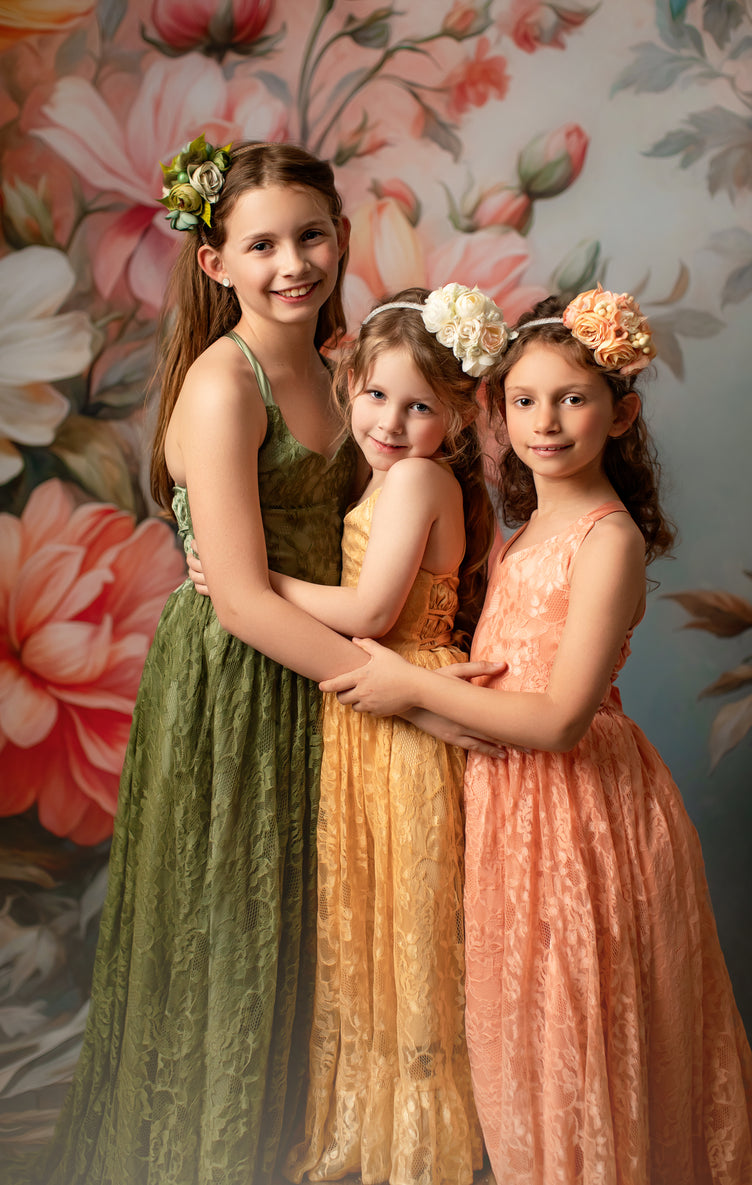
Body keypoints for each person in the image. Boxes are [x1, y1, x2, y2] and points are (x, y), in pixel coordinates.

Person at [320, 287, 752, 1185]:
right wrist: (451, 687)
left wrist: (408, 683)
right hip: (511, 809)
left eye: (573, 399)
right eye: (525, 400)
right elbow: (512, 666)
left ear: (623, 413)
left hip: (583, 817)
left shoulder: (606, 539)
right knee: (522, 1054)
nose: (546, 422)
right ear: (495, 410)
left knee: (585, 1053)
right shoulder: (526, 528)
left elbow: (563, 716)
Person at [6, 136, 373, 1185]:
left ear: (341, 238)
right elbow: (246, 602)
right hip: (243, 683)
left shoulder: (338, 366)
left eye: (310, 236)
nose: (291, 263)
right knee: (238, 937)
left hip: (325, 661)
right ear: (216, 264)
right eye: (261, 245)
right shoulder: (227, 385)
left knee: (319, 930)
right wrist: (399, 689)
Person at [265, 283, 505, 1185]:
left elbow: (370, 609)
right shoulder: (392, 476)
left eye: (421, 407)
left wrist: (256, 581)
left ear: (457, 414)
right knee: (373, 919)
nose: (393, 423)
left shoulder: (417, 477)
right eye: (377, 396)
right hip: (374, 711)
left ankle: (423, 1147)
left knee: (409, 924)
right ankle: (380, 1129)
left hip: (405, 713)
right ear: (351, 382)